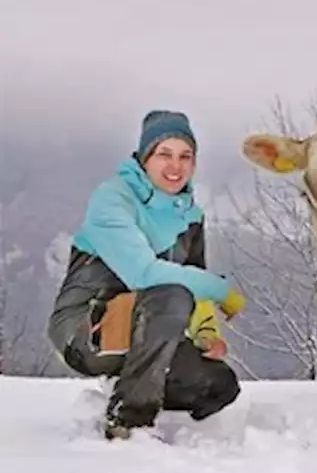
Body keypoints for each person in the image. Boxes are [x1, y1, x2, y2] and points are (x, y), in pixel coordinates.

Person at [46, 110, 247, 440]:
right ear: (144, 157)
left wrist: (206, 334)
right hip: (87, 331)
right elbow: (144, 273)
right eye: (163, 154)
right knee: (171, 293)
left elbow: (194, 278)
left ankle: (135, 383)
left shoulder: (191, 218)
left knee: (220, 385)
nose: (175, 166)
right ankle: (129, 419)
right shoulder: (113, 198)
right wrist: (221, 291)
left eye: (185, 156)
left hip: (149, 335)